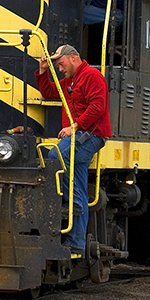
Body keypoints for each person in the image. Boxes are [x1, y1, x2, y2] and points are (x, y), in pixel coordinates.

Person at [35, 44, 112, 257]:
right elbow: (50, 92)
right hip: (82, 135)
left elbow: (98, 107)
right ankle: (76, 243)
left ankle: (69, 201)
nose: (60, 69)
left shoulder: (92, 76)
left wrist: (74, 126)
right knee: (77, 183)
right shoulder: (71, 80)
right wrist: (43, 71)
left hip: (91, 135)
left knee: (56, 155)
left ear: (73, 58)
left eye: (60, 64)